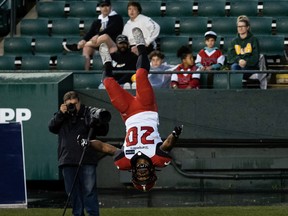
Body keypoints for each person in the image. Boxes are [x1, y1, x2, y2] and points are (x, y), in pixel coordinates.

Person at [79, 28, 183, 192]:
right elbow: (167, 145)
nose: (142, 170)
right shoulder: (158, 159)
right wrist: (175, 135)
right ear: (151, 172)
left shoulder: (125, 161)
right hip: (147, 109)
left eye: (139, 174)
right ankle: (141, 46)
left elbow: (106, 148)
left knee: (108, 83)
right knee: (141, 75)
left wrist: (88, 143)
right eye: (145, 174)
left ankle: (107, 61)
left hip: (129, 115)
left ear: (134, 173)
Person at [48, 91, 109, 216]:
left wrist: (99, 120)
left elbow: (103, 131)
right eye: (69, 104)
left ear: (79, 102)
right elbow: (52, 127)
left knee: (89, 190)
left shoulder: (88, 113)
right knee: (72, 192)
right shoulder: (61, 116)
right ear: (64, 104)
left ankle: (93, 214)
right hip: (67, 159)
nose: (73, 107)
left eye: (75, 104)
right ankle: (77, 214)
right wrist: (61, 113)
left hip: (86, 157)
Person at [64, 0, 123, 70]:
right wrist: (83, 40)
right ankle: (86, 73)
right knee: (86, 48)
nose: (105, 8)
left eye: (107, 6)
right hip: (98, 44)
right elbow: (90, 32)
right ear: (100, 8)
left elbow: (110, 30)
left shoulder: (117, 18)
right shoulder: (98, 20)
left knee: (104, 36)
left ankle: (77, 47)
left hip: (112, 43)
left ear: (110, 7)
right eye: (102, 6)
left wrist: (98, 35)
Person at [227, 15, 260, 87]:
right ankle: (240, 84)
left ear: (247, 27)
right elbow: (230, 57)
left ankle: (241, 82)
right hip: (238, 65)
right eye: (238, 26)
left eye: (242, 26)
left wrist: (246, 61)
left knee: (242, 70)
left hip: (250, 66)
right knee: (234, 67)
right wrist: (239, 60)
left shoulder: (253, 40)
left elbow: (255, 56)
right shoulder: (234, 41)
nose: (240, 28)